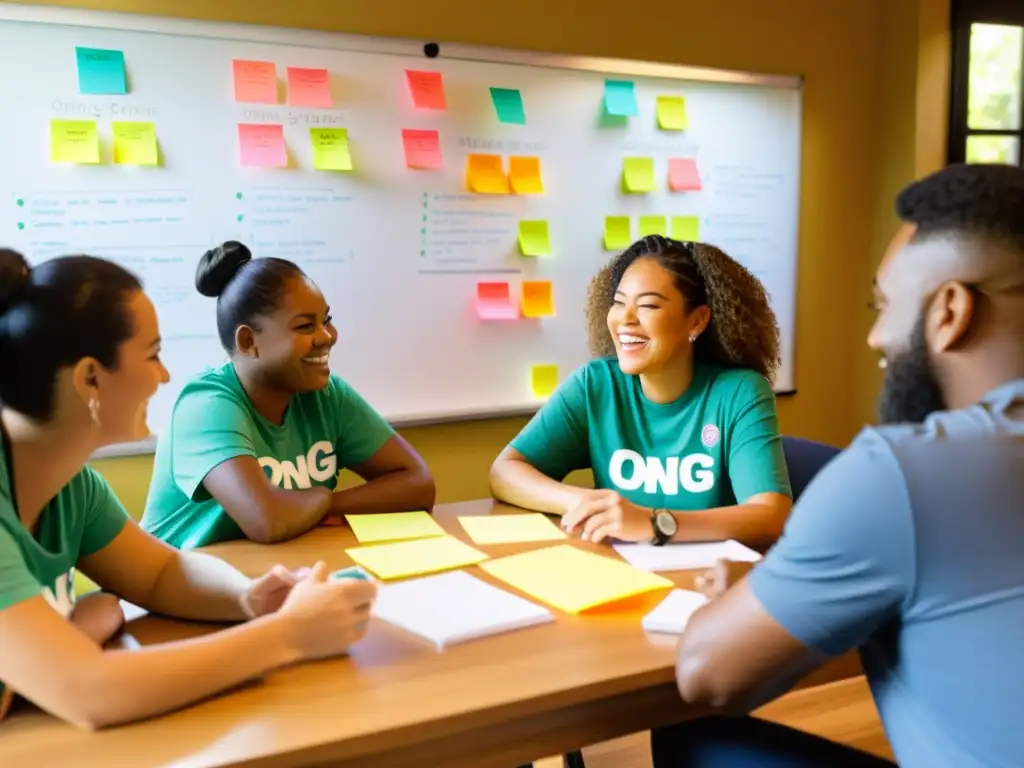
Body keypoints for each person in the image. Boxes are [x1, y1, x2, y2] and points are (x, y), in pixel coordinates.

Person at [656, 163, 1024, 767]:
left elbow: (707, 674)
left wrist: (756, 600)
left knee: (689, 734)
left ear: (950, 312)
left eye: (885, 307)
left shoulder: (905, 473)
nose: (877, 338)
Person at [0, 249, 377, 729]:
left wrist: (251, 599)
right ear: (90, 378)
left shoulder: (71, 485)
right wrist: (288, 635)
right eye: (153, 355)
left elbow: (160, 573)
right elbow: (91, 692)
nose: (164, 376)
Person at [490, 235, 792, 549]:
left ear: (697, 321)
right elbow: (504, 472)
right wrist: (591, 502)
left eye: (647, 305)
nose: (625, 319)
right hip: (622, 576)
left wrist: (655, 523)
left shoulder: (739, 393)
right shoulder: (596, 385)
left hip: (711, 581)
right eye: (619, 303)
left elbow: (771, 515)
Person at [141, 242, 435, 549]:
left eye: (327, 320)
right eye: (306, 326)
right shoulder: (206, 405)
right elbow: (268, 520)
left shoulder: (327, 395)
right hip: (171, 587)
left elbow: (417, 483)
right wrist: (321, 496)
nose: (326, 336)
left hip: (266, 575)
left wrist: (325, 505)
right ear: (248, 341)